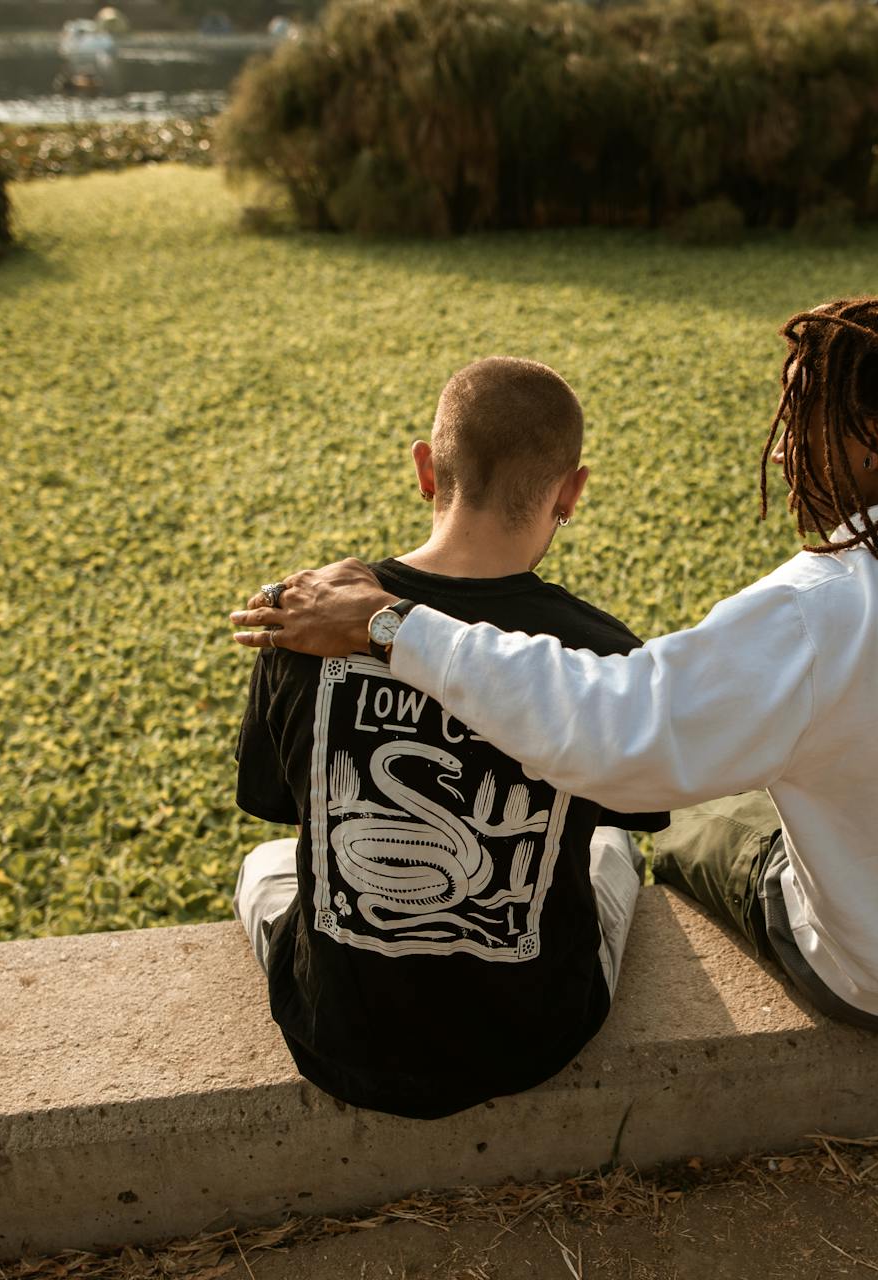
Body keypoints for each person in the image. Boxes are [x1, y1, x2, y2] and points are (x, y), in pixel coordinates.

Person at [233, 295, 878, 1046]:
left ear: (870, 439)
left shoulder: (819, 611)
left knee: (704, 822)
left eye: (799, 423)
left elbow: (613, 736)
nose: (781, 454)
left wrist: (390, 625)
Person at [233, 356, 665, 1119]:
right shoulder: (599, 653)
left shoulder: (304, 619)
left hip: (338, 1040)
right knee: (613, 847)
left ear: (427, 469)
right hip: (534, 1037)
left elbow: (278, 802)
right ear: (572, 490)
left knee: (266, 864)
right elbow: (641, 807)